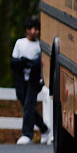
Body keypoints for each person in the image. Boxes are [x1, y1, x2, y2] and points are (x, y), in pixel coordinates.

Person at [11, 15, 48, 144]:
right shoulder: (20, 43)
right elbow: (14, 61)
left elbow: (40, 62)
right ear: (27, 30)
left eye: (37, 29)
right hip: (22, 79)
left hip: (34, 79)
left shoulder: (39, 45)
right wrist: (24, 63)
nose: (34, 32)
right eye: (32, 28)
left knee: (29, 104)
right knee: (26, 104)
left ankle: (27, 134)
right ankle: (44, 128)